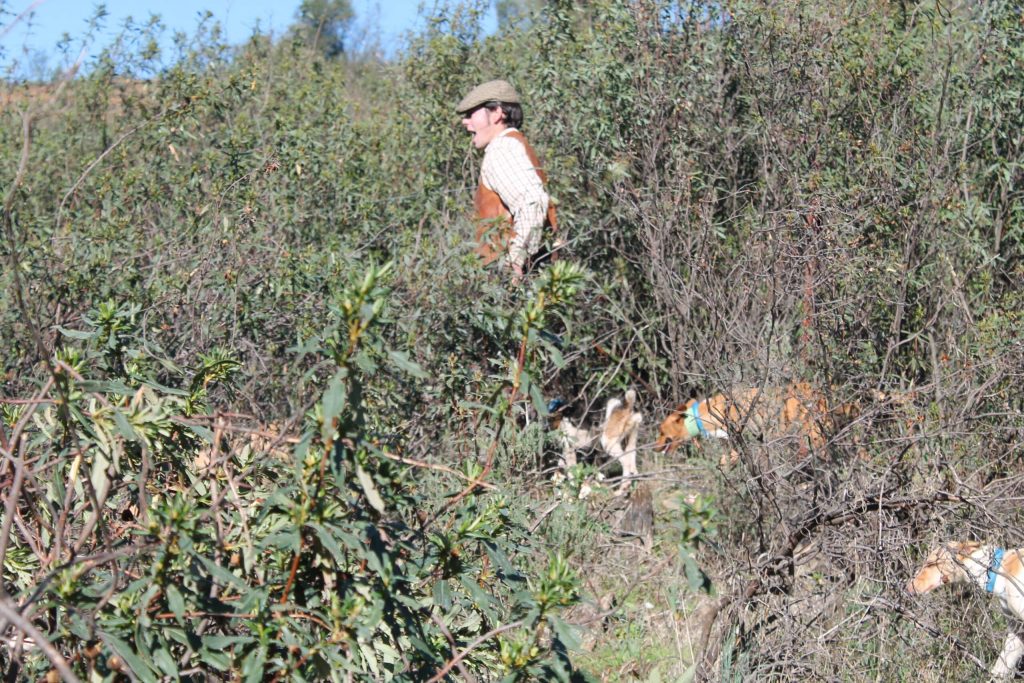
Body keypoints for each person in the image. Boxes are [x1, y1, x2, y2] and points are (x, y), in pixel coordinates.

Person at [457, 79, 557, 281]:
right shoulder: (516, 144)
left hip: (513, 280)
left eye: (470, 114)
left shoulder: (502, 148)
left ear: (497, 113)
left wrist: (514, 262)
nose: (465, 122)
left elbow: (533, 201)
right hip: (536, 278)